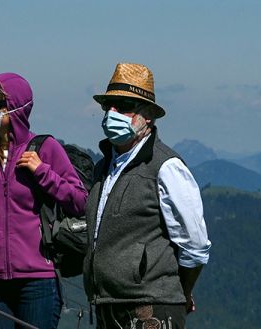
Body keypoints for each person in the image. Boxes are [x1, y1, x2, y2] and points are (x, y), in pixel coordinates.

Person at [84, 63, 211, 329]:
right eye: (108, 105)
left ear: (148, 115)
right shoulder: (102, 168)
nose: (112, 112)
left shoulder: (167, 167)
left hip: (151, 309)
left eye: (125, 105)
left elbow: (195, 245)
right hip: (107, 306)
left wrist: (181, 291)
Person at [0, 72, 88, 329]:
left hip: (37, 281)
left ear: (17, 109)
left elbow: (81, 201)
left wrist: (43, 173)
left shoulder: (46, 149)